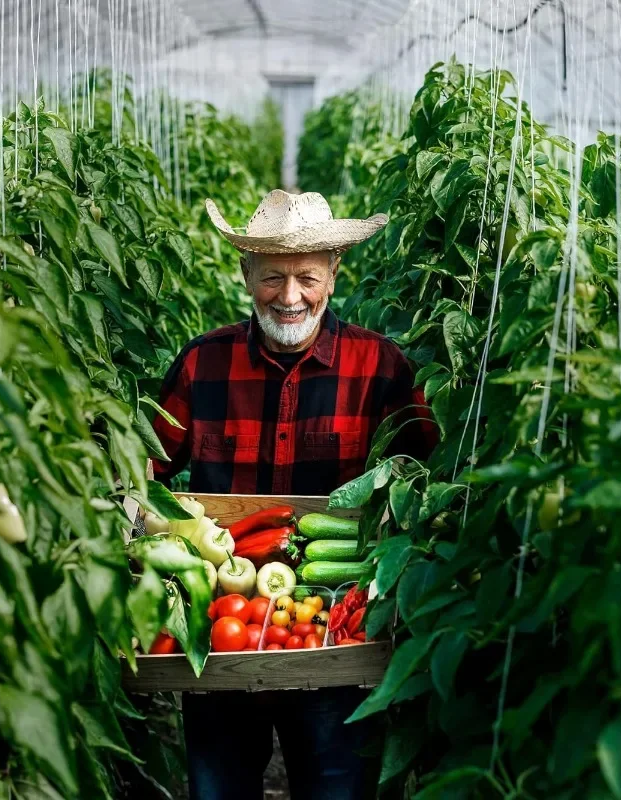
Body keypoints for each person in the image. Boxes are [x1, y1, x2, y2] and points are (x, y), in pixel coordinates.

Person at [151, 189, 438, 800]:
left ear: (333, 276)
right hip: (222, 631)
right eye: (272, 277)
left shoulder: (381, 368)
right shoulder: (203, 365)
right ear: (245, 274)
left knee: (337, 787)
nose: (289, 297)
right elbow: (142, 466)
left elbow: (426, 478)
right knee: (218, 789)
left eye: (307, 277)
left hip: (336, 631)